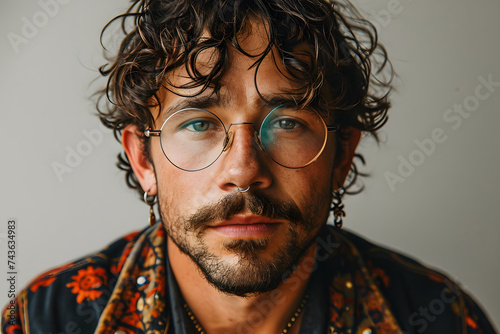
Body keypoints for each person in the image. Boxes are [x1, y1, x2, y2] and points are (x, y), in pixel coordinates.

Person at [2, 0, 497, 333]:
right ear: (142, 160)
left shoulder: (440, 318)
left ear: (342, 155)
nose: (243, 170)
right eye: (198, 124)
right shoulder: (43, 321)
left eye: (287, 123)